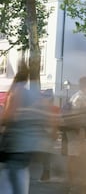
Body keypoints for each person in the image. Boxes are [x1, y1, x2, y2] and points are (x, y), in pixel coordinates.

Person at [0, 60, 48, 194]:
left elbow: (9, 116)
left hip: (15, 142)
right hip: (29, 142)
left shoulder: (17, 92)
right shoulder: (34, 94)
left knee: (13, 175)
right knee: (19, 174)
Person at [64, 76, 86, 192]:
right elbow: (77, 117)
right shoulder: (80, 97)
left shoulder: (75, 96)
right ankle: (72, 183)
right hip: (76, 130)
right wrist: (80, 131)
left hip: (74, 130)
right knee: (73, 157)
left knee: (74, 156)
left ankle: (73, 182)